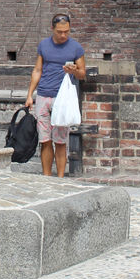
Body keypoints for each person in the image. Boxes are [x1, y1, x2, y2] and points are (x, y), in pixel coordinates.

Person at [24, 13, 86, 177]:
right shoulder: (44, 45)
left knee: (60, 140)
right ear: (53, 29)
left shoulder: (76, 48)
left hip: (62, 99)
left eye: (66, 31)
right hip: (44, 95)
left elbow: (82, 74)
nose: (63, 35)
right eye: (60, 31)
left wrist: (74, 70)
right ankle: (46, 177)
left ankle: (60, 179)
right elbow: (37, 70)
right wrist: (30, 95)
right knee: (45, 140)